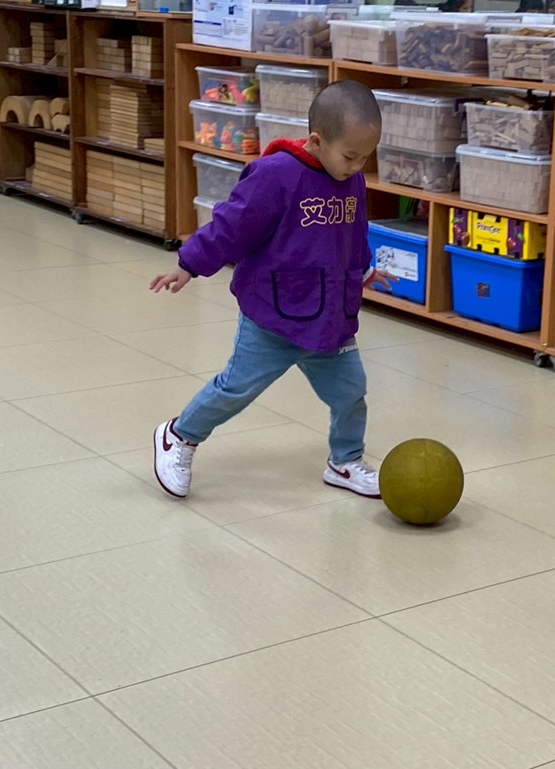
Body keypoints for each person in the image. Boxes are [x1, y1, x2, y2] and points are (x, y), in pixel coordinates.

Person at [149, 81, 392, 500]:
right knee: (236, 388)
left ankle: (345, 460)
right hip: (273, 317)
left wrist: (364, 270)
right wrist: (189, 264)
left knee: (351, 391)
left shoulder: (350, 180)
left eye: (365, 157)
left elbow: (353, 234)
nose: (357, 166)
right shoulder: (276, 175)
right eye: (350, 156)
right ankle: (179, 436)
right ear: (317, 140)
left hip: (330, 319)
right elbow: (232, 225)